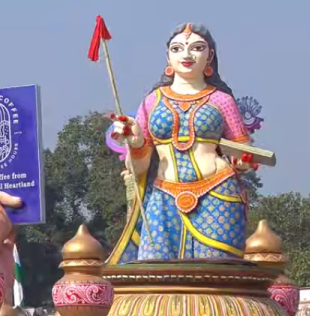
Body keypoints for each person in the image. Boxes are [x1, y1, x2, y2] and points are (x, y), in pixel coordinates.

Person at [106, 22, 259, 264]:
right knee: (154, 271)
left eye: (196, 48)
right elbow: (139, 168)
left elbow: (242, 151)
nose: (186, 55)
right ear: (168, 57)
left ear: (210, 56)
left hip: (217, 192)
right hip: (163, 195)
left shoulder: (222, 100)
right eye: (177, 49)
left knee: (217, 273)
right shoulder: (152, 101)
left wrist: (243, 161)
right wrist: (135, 144)